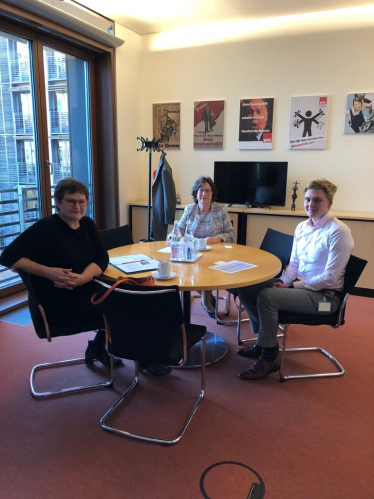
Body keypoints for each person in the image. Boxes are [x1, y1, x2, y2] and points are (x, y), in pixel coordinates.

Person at [236, 179, 354, 380]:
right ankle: (263, 341)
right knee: (247, 287)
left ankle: (269, 356)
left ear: (330, 203)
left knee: (267, 297)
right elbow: (294, 264)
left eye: (318, 200)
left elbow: (329, 278)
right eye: (308, 199)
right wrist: (283, 281)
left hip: (325, 299)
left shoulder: (338, 232)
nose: (311, 205)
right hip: (302, 289)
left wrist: (293, 285)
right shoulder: (302, 227)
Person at [0, 177, 123, 367]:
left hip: (86, 290)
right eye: (71, 201)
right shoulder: (46, 228)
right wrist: (48, 272)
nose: (77, 206)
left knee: (130, 298)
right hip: (60, 301)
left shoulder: (87, 224)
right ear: (58, 202)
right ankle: (143, 357)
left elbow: (101, 258)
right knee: (128, 306)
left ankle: (101, 347)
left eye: (82, 201)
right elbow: (8, 256)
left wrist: (83, 278)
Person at [168, 176, 235, 317]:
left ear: (212, 193)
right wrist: (171, 238)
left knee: (207, 267)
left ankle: (205, 300)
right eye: (201, 190)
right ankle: (207, 298)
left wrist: (217, 238)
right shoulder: (190, 209)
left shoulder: (220, 209)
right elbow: (178, 229)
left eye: (207, 190)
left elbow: (231, 234)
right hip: (192, 252)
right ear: (196, 193)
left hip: (215, 254)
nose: (204, 194)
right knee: (189, 267)